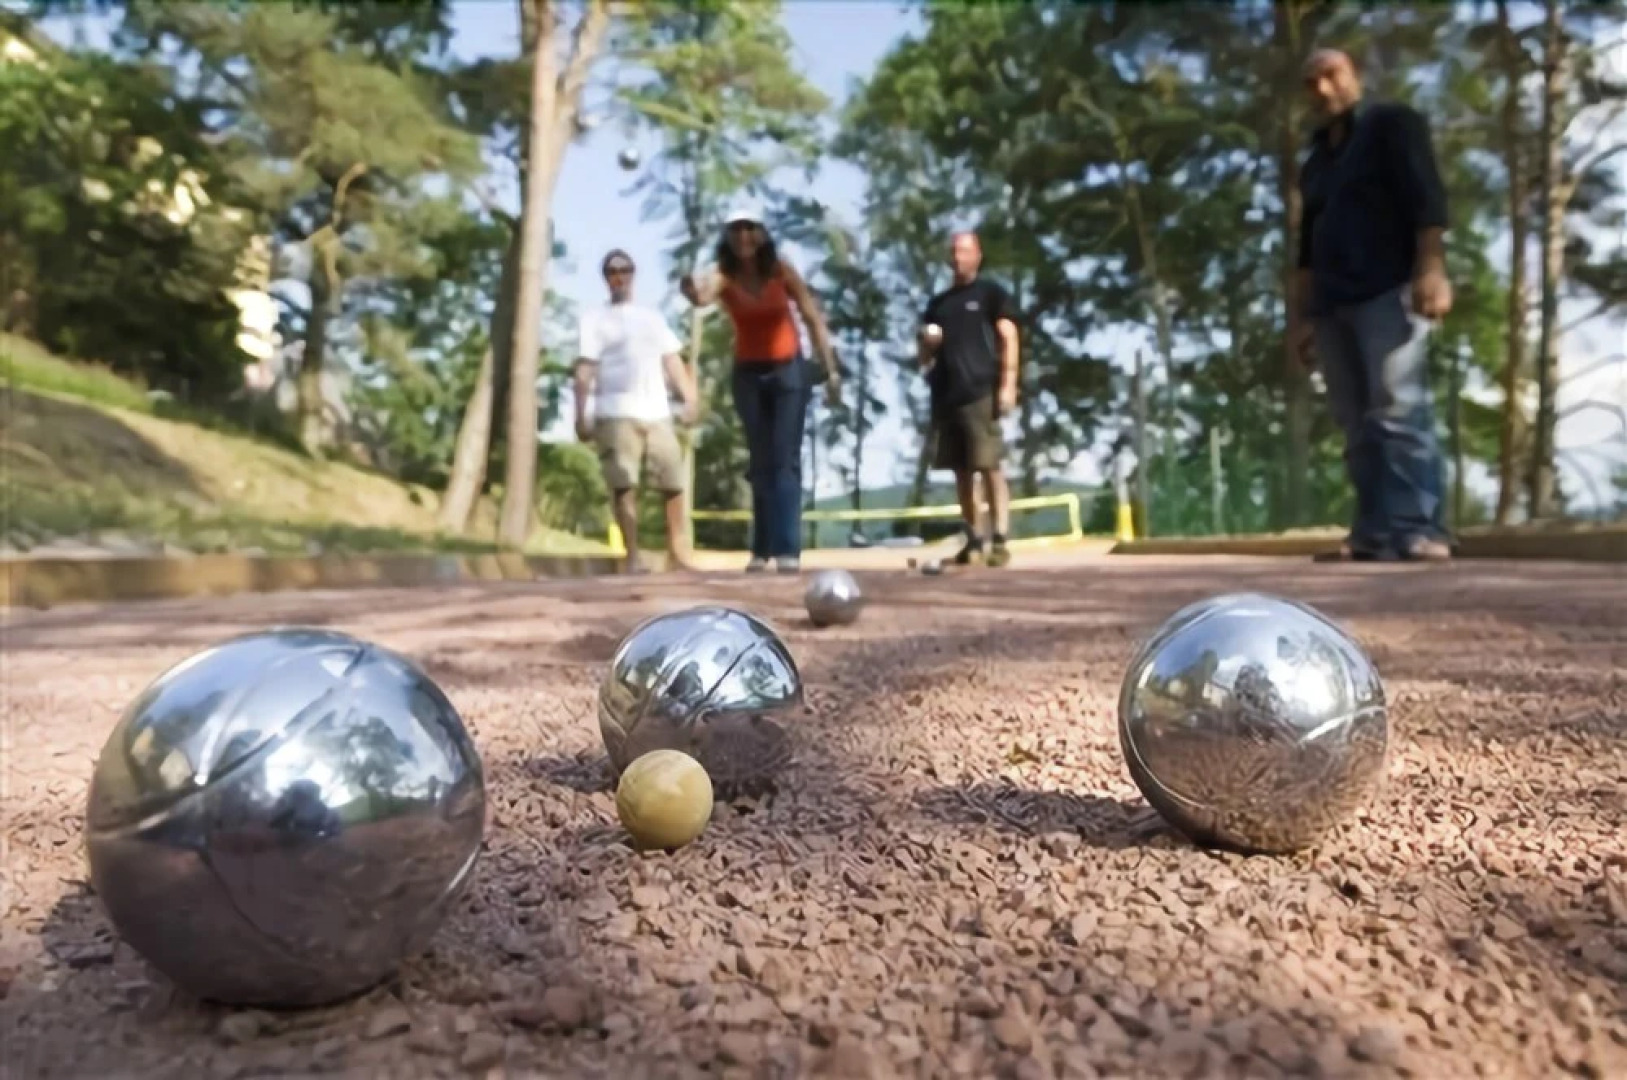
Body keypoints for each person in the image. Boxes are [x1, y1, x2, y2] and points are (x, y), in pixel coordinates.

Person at [1297, 48, 1454, 563]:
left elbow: (1426, 197)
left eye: (1332, 75)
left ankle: (1417, 527)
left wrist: (1431, 268)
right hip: (1331, 303)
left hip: (1387, 288)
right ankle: (1373, 531)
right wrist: (1301, 318)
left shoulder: (1391, 124)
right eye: (1311, 83)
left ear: (1357, 76)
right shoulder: (1316, 162)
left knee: (1398, 409)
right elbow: (1305, 246)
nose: (1322, 89)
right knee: (1355, 423)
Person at [680, 204, 841, 574]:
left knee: (784, 460)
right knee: (761, 461)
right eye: (736, 229)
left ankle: (787, 549)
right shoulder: (725, 275)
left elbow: (812, 318)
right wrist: (690, 291)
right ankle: (761, 548)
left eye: (749, 228)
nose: (743, 236)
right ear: (728, 236)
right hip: (748, 375)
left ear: (762, 234)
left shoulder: (781, 270)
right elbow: (704, 296)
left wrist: (831, 371)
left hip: (788, 373)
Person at [574, 249, 699, 574]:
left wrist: (690, 397)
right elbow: (585, 368)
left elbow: (672, 359)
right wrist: (580, 414)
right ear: (606, 278)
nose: (619, 276)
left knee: (672, 481)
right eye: (612, 271)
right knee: (623, 484)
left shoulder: (652, 317)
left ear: (633, 274)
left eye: (625, 270)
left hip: (656, 411)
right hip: (614, 411)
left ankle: (677, 553)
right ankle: (632, 557)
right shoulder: (594, 319)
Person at [917, 231, 1020, 568]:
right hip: (947, 395)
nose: (957, 257)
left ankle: (1000, 539)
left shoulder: (991, 293)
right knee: (961, 472)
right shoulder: (938, 305)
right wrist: (927, 345)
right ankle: (973, 539)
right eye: (953, 252)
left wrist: (1008, 385)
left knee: (989, 466)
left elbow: (1009, 337)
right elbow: (923, 358)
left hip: (980, 392)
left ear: (977, 256)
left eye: (964, 251)